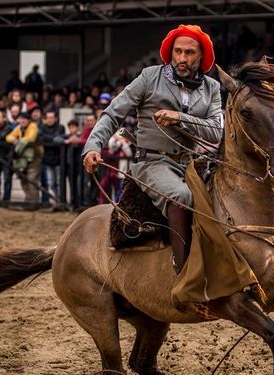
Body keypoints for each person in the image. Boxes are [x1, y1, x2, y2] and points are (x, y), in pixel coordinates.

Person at [82, 24, 222, 273]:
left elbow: (216, 130)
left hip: (191, 163)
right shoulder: (149, 76)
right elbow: (114, 113)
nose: (182, 58)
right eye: (177, 52)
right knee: (183, 197)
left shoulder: (212, 87)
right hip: (152, 163)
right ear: (170, 53)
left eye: (189, 53)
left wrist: (180, 118)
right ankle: (184, 275)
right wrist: (93, 146)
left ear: (201, 56)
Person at [6, 112, 43, 209]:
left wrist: (19, 141)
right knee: (24, 180)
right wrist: (14, 140)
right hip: (23, 159)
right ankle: (28, 202)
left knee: (32, 180)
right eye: (20, 119)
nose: (22, 121)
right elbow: (8, 137)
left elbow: (31, 138)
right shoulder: (19, 128)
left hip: (35, 157)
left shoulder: (33, 126)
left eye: (24, 119)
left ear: (28, 120)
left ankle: (34, 203)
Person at [38, 111, 66, 207]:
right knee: (51, 182)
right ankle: (57, 200)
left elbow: (60, 137)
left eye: (52, 117)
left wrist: (51, 138)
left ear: (55, 118)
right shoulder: (42, 127)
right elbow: (41, 137)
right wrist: (54, 139)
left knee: (59, 182)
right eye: (48, 117)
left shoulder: (60, 127)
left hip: (59, 159)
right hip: (47, 159)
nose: (50, 119)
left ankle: (60, 202)